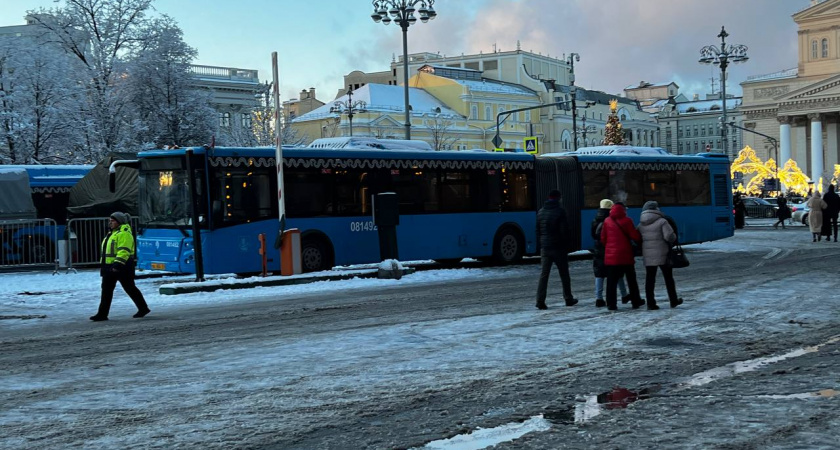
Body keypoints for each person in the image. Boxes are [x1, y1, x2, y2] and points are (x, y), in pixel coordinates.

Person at [90, 212, 150, 321]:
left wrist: (117, 264)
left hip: (122, 266)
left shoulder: (124, 233)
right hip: (110, 266)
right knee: (107, 290)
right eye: (110, 220)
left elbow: (124, 251)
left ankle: (143, 308)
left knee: (129, 288)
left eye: (112, 220)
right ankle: (102, 314)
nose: (110, 223)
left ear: (119, 221)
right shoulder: (113, 233)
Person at [535, 189, 578, 310]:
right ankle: (568, 298)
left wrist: (542, 243)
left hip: (545, 248)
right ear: (558, 198)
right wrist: (567, 244)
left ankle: (540, 300)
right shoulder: (560, 211)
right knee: (564, 274)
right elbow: (564, 231)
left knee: (544, 275)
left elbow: (537, 230)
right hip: (558, 248)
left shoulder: (541, 212)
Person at [637, 201, 684, 310]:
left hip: (648, 256)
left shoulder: (641, 224)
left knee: (650, 279)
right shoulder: (662, 221)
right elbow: (669, 237)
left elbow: (637, 238)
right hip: (663, 254)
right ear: (656, 209)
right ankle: (673, 300)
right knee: (668, 278)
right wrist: (673, 237)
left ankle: (650, 303)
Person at [600, 202, 644, 311]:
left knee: (611, 282)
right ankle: (635, 301)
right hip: (626, 255)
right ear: (623, 210)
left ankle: (611, 304)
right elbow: (635, 236)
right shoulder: (627, 221)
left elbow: (603, 238)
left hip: (612, 258)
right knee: (631, 280)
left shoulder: (607, 221)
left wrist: (610, 248)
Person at [591, 198, 631, 308]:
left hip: (598, 250)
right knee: (617, 274)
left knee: (599, 274)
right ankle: (624, 294)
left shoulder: (595, 220)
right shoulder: (610, 219)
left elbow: (594, 236)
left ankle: (599, 298)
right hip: (610, 250)